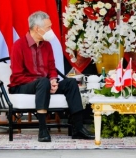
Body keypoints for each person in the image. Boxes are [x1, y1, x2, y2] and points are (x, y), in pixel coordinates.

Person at [8, 11, 94, 142]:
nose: (51, 30)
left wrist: (53, 80)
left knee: (70, 83)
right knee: (43, 82)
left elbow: (51, 68)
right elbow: (17, 75)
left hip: (44, 84)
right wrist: (45, 82)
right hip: (23, 85)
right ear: (37, 29)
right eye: (48, 27)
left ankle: (78, 128)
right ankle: (42, 129)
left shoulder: (47, 45)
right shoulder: (19, 45)